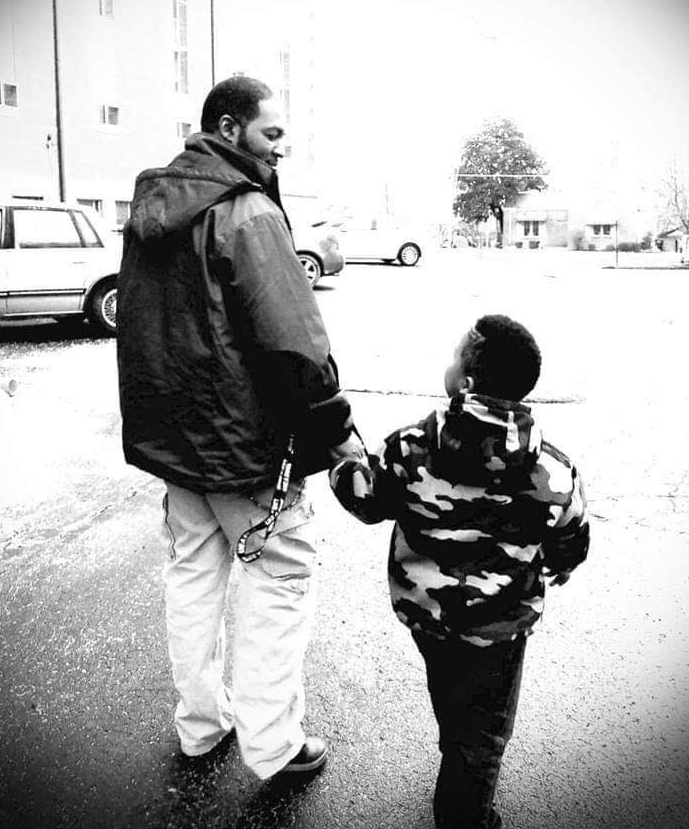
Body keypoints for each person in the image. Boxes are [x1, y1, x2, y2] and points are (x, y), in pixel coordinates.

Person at [116, 75, 363, 779]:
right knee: (279, 576)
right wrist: (337, 429)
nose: (283, 147)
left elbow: (140, 331)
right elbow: (294, 341)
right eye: (272, 133)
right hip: (242, 447)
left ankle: (201, 727)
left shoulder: (153, 209)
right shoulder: (247, 211)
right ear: (229, 129)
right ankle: (273, 744)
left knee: (193, 574)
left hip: (176, 444)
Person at [329, 315, 589, 828]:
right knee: (484, 734)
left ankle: (458, 756)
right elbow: (570, 540)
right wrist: (560, 565)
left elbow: (365, 498)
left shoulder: (409, 447)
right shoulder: (554, 471)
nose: (447, 363)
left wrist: (344, 460)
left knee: (450, 692)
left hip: (428, 617)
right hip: (498, 631)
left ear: (465, 383)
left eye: (454, 356)